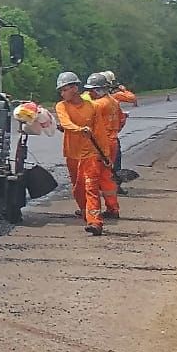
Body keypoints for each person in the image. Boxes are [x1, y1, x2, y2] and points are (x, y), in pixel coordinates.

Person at [54, 70, 120, 235]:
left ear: (74, 88)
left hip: (91, 154)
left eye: (64, 89)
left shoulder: (92, 107)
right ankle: (86, 212)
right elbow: (65, 123)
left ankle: (95, 222)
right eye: (61, 91)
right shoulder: (61, 106)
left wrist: (105, 156)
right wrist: (79, 129)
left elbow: (99, 133)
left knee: (91, 186)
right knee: (78, 189)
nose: (62, 93)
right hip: (72, 154)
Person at [81, 73, 126, 220]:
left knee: (92, 177)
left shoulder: (98, 105)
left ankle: (92, 212)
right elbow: (121, 121)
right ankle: (113, 208)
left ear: (100, 90)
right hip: (112, 141)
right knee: (107, 176)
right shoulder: (113, 102)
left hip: (101, 144)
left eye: (92, 90)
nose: (90, 93)